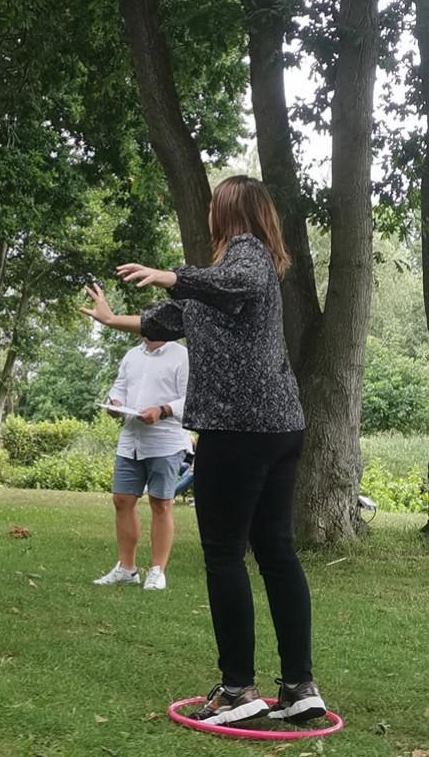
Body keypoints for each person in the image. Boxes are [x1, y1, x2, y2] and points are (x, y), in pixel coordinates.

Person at [80, 175, 325, 726]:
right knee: (275, 551)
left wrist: (170, 274)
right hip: (279, 428)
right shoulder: (214, 288)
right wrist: (108, 318)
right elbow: (160, 320)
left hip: (241, 431)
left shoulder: (249, 255)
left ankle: (238, 689)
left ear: (232, 211)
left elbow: (233, 280)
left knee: (223, 554)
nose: (211, 211)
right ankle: (298, 687)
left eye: (216, 204)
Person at [94, 338, 190, 592]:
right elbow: (119, 387)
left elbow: (190, 397)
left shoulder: (182, 355)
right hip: (131, 440)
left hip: (166, 441)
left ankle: (157, 571)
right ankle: (127, 569)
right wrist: (114, 403)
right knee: (122, 500)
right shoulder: (132, 355)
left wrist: (163, 410)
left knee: (160, 503)